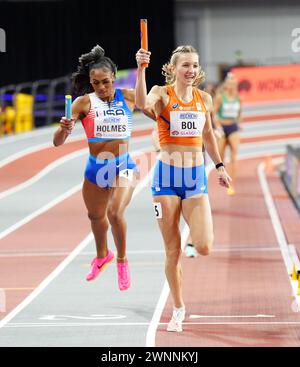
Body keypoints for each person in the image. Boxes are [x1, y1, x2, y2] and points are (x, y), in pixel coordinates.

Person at [135, 45, 231, 332]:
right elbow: (141, 104)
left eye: (194, 65)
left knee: (203, 246)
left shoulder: (205, 99)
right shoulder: (162, 93)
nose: (191, 70)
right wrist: (140, 70)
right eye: (185, 65)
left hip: (194, 178)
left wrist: (220, 166)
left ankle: (193, 225)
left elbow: (208, 136)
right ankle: (178, 308)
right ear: (173, 68)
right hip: (165, 179)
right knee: (172, 250)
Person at [53, 45, 137, 291]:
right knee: (95, 217)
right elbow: (57, 143)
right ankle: (102, 256)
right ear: (90, 81)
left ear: (115, 77)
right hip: (96, 168)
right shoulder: (82, 103)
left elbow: (156, 106)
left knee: (115, 213)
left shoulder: (129, 97)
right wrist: (64, 129)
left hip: (123, 165)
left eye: (106, 82)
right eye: (96, 82)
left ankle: (122, 261)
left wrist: (142, 67)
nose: (101, 87)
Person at [214, 73, 242, 196]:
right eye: (229, 83)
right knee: (221, 157)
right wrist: (218, 127)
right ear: (226, 84)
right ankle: (223, 177)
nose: (231, 85)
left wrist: (239, 122)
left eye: (233, 83)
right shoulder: (220, 97)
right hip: (222, 127)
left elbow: (240, 112)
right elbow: (214, 113)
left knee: (233, 158)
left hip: (233, 127)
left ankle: (232, 186)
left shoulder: (238, 97)